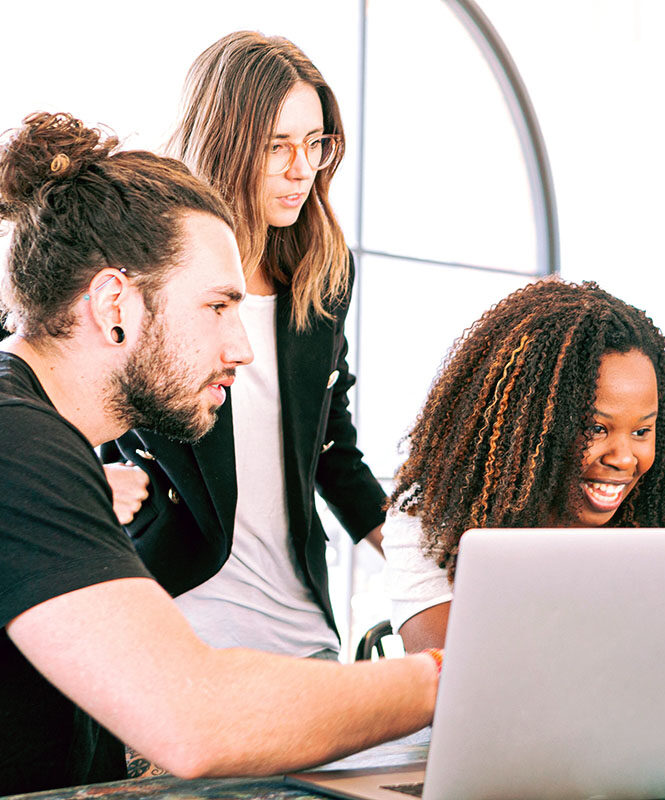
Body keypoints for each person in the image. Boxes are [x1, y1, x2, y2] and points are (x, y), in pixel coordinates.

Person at [0, 111, 438, 796]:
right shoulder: (17, 445)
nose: (243, 347)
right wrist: (444, 678)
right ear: (114, 303)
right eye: (218, 306)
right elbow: (193, 715)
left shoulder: (45, 439)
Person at [382, 279, 665, 739]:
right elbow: (468, 687)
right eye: (595, 427)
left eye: (642, 431)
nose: (623, 458)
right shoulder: (433, 514)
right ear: (532, 425)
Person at [102, 31, 385, 660]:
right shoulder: (144, 256)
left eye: (315, 144)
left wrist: (422, 556)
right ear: (226, 143)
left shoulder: (324, 272)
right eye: (277, 146)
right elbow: (48, 369)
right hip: (173, 621)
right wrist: (85, 477)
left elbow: (329, 443)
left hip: (302, 631)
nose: (301, 169)